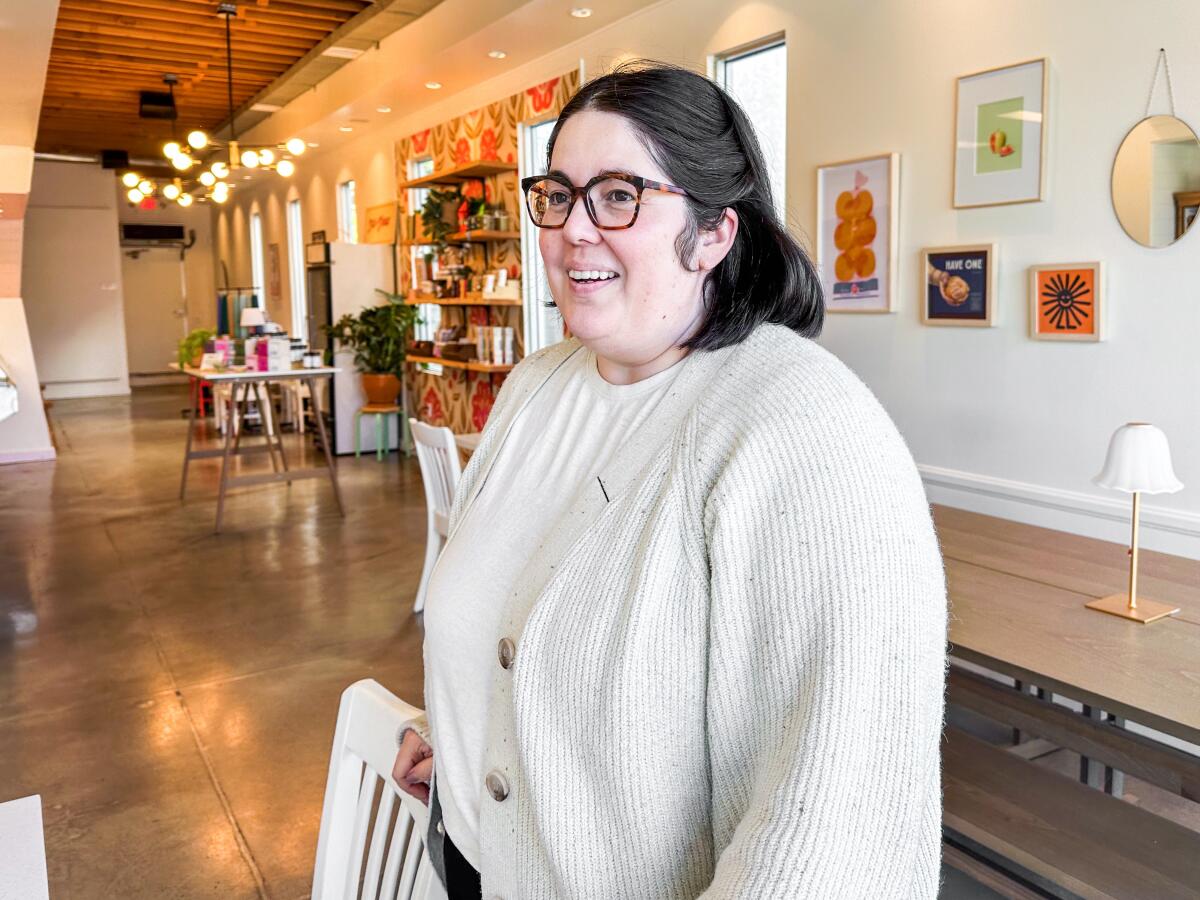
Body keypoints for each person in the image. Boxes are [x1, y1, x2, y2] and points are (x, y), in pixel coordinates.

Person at [392, 61, 947, 899]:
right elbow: (512, 614)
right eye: (558, 194)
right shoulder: (534, 388)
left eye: (618, 195)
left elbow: (833, 824)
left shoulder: (802, 429)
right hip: (466, 860)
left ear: (715, 233)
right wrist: (462, 723)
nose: (574, 230)